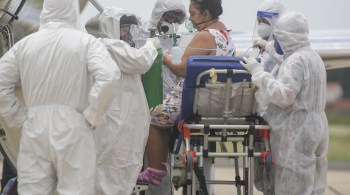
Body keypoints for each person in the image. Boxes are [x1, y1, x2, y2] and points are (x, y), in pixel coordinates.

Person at [0, 0, 120, 194]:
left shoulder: (25, 46)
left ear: (45, 10)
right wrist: (93, 115)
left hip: (34, 128)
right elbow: (109, 76)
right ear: (72, 10)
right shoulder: (85, 42)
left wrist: (18, 118)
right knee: (75, 189)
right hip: (74, 126)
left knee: (33, 189)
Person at [138, 0, 235, 194]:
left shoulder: (204, 36)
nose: (189, 19)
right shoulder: (225, 34)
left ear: (205, 14)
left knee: (153, 118)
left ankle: (156, 170)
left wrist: (161, 54)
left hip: (195, 100)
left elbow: (181, 69)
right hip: (214, 100)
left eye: (192, 14)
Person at [240, 11, 328, 194]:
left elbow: (284, 96)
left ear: (287, 37)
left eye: (279, 37)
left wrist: (258, 73)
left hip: (296, 129)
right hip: (317, 126)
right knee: (313, 183)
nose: (276, 42)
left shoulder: (294, 61)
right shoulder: (314, 57)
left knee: (292, 181)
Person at [85, 7, 160, 195]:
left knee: (120, 168)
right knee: (111, 170)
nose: (126, 33)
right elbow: (141, 62)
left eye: (128, 28)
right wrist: (151, 45)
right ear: (111, 27)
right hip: (114, 122)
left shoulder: (112, 47)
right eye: (122, 28)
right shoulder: (108, 45)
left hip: (121, 121)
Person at [135, 0, 186, 194]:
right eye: (170, 17)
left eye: (178, 19)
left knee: (160, 162)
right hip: (144, 105)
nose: (173, 23)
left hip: (168, 108)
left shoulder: (179, 39)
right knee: (140, 162)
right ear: (158, 16)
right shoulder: (141, 35)